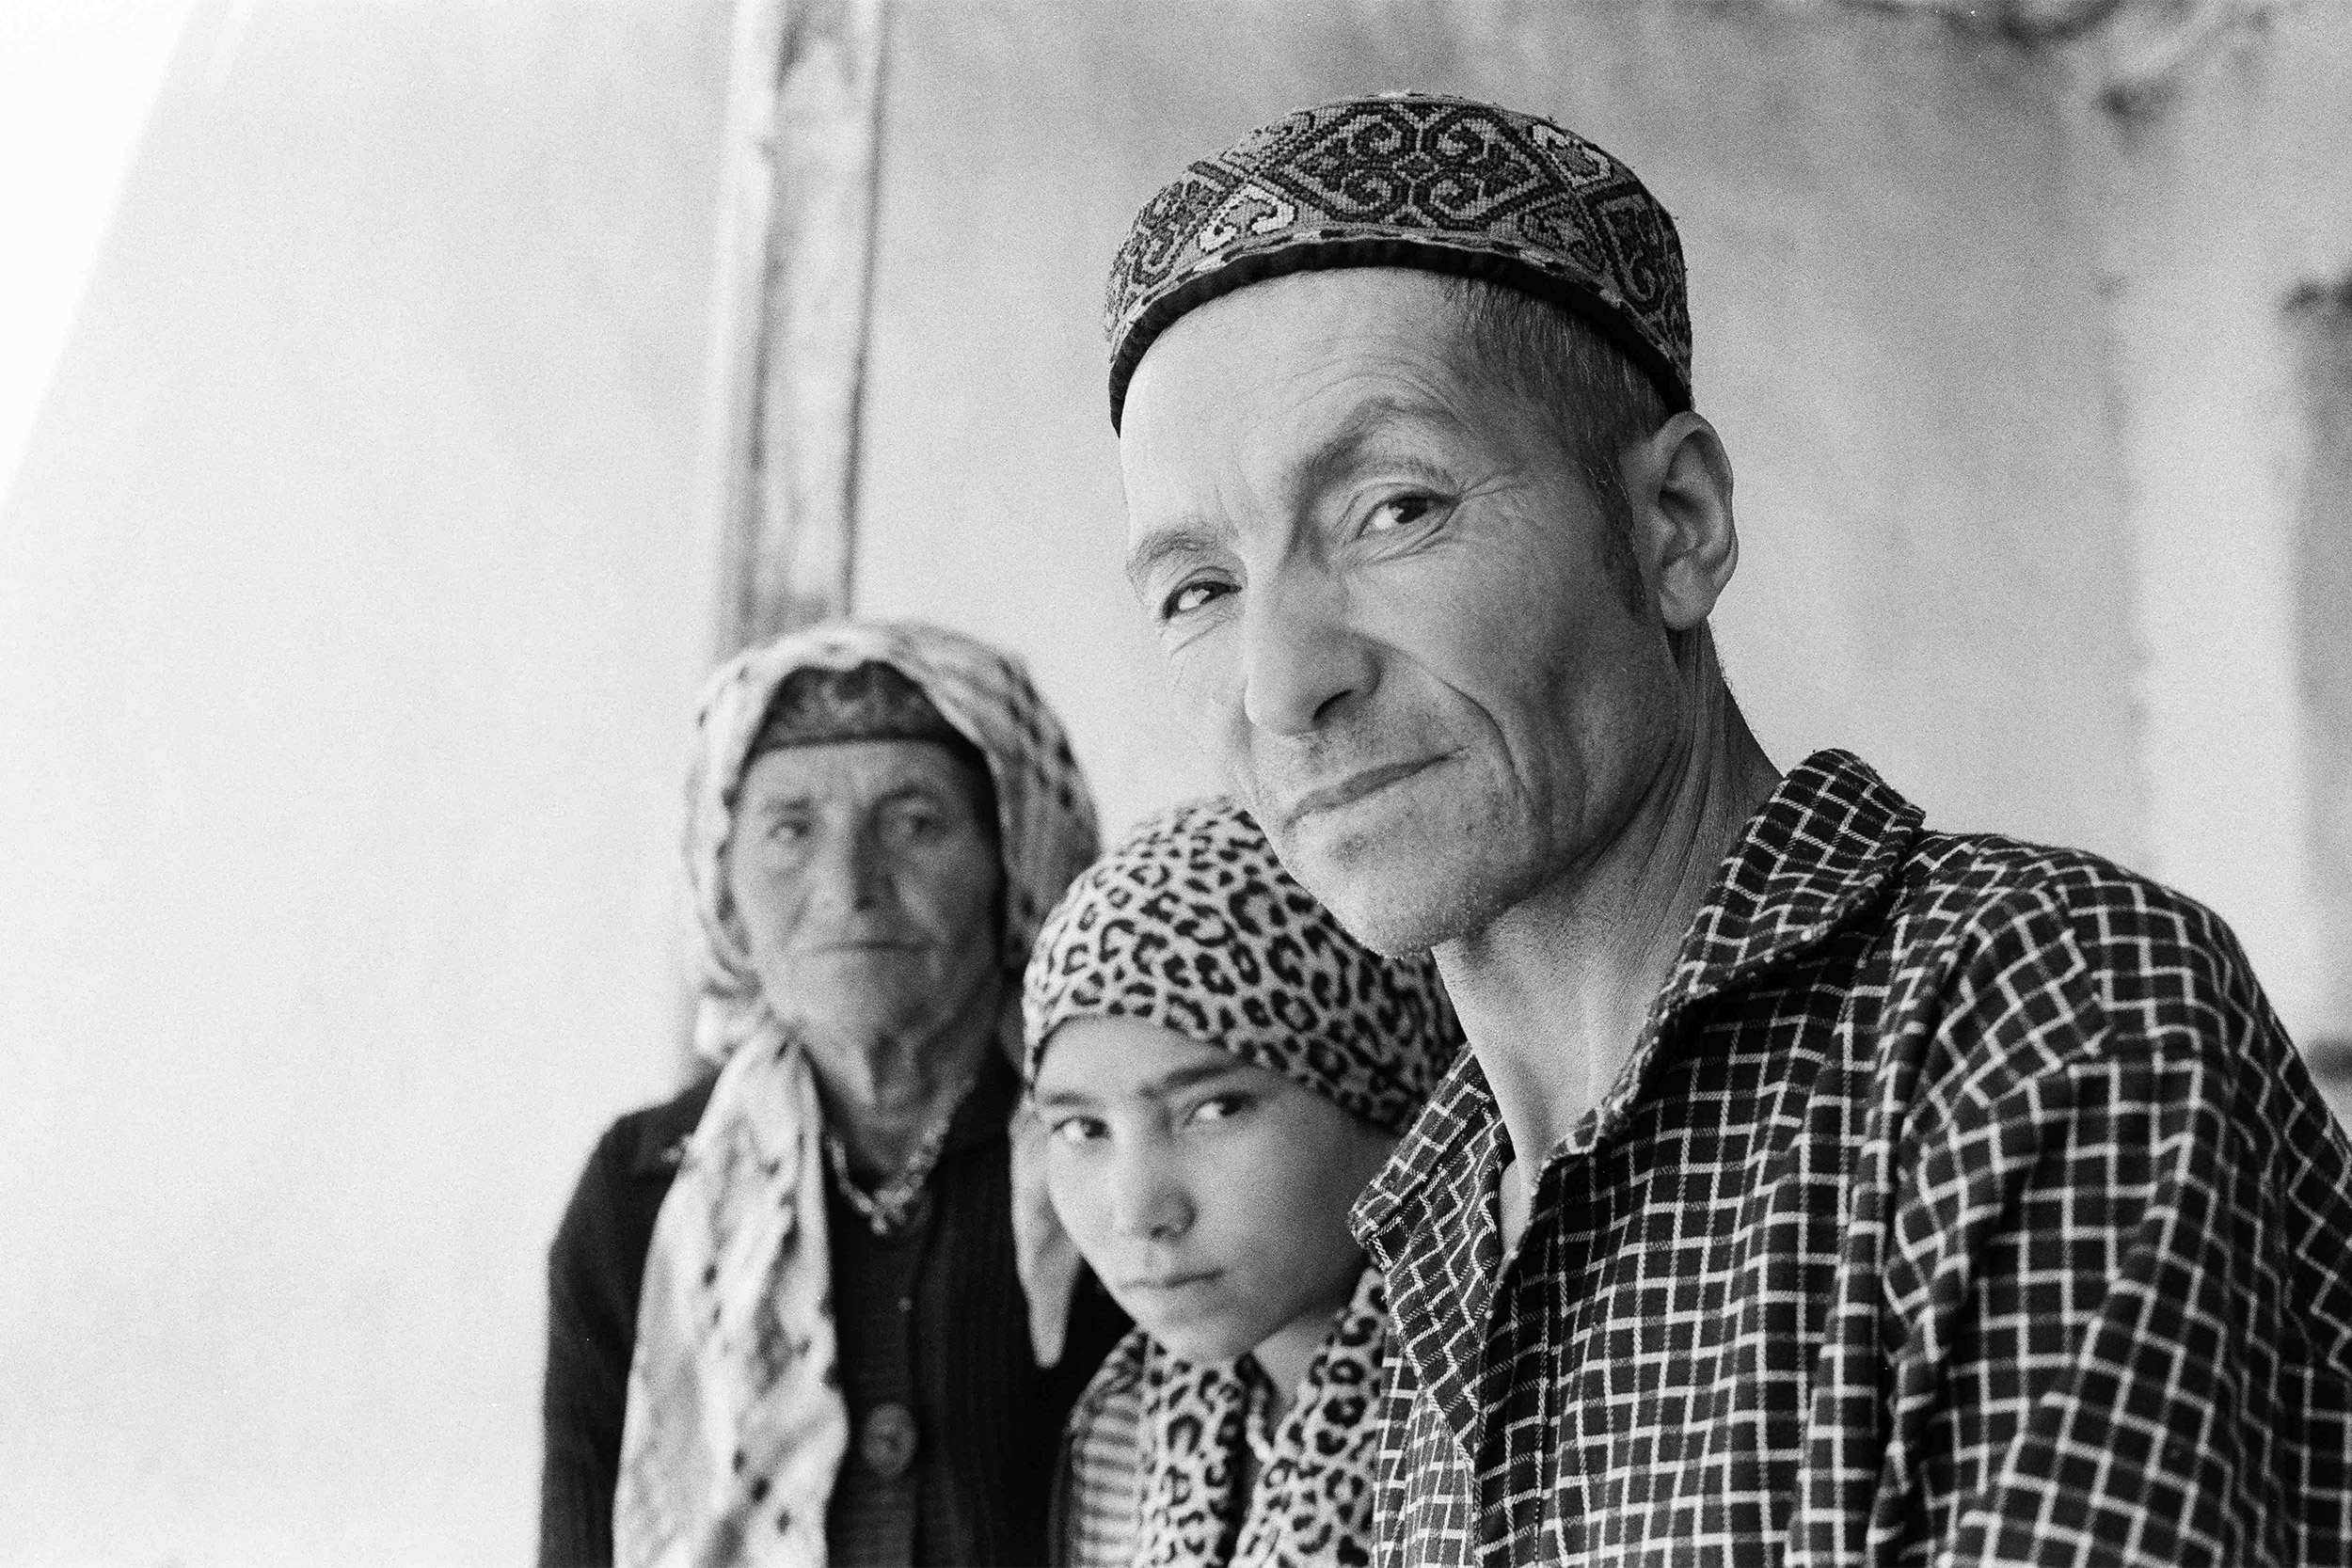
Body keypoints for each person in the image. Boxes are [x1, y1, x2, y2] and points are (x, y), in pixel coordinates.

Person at [1103, 92, 2352, 1565]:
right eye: (1197, 587)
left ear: (1676, 523)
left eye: (1393, 509)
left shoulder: (2031, 1007)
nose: (1282, 681)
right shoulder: (1435, 1193)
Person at [538, 621, 1129, 1568]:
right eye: (789, 828)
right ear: (722, 882)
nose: (848, 885)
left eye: (913, 821)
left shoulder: (1120, 1147)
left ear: (1014, 853)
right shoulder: (642, 1185)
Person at [1022, 798, 1461, 1568]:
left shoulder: (1503, 1426)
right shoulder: (1129, 1431)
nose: (1139, 1211)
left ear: (1387, 1094)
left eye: (1213, 1109)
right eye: (1082, 1129)